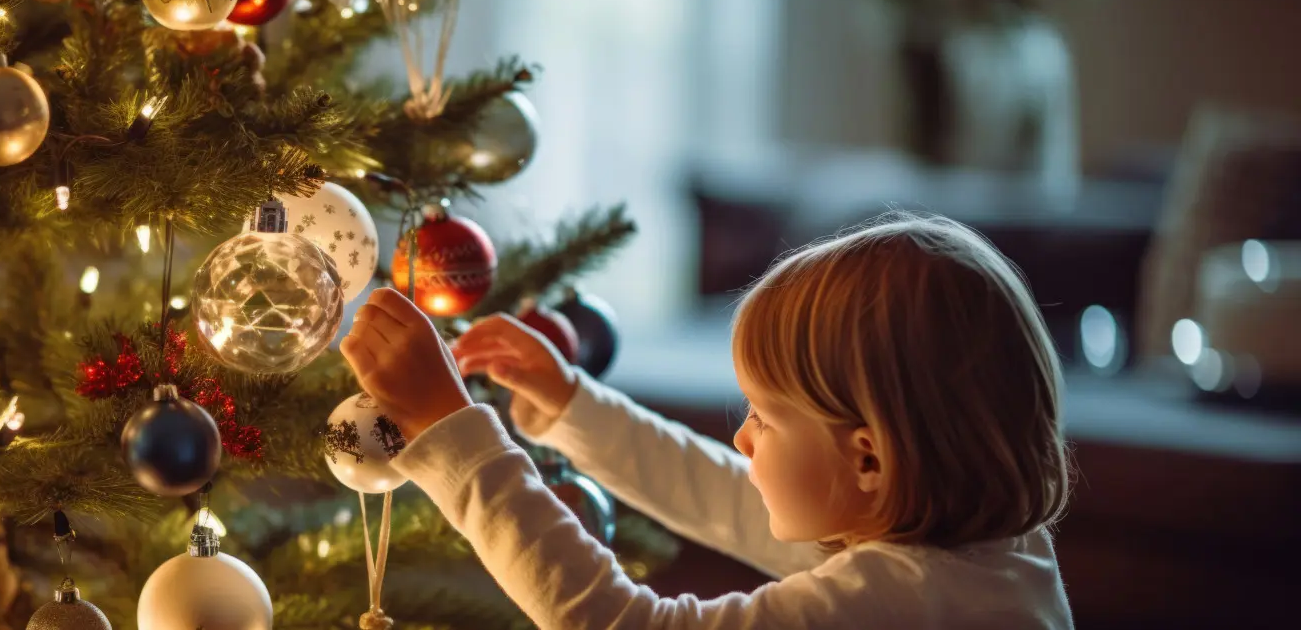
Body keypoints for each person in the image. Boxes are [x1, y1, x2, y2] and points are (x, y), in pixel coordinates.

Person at [340, 212, 1074, 629]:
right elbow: (719, 493)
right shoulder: (983, 553)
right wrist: (571, 405)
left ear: (870, 459)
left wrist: (453, 436)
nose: (743, 438)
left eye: (765, 417)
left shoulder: (897, 602)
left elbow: (617, 622)